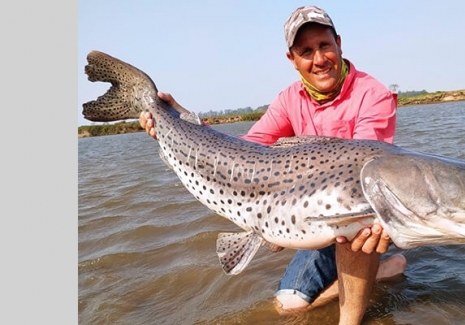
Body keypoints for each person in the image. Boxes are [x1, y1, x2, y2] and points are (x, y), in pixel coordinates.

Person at [139, 6, 406, 324]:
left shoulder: (372, 94)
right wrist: (181, 122)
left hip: (357, 218)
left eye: (324, 46)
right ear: (292, 60)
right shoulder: (289, 99)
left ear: (339, 43)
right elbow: (244, 151)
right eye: (306, 51)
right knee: (289, 306)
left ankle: (350, 317)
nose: (319, 59)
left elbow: (366, 173)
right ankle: (379, 274)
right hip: (310, 218)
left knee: (358, 217)